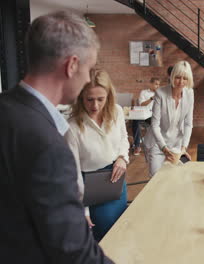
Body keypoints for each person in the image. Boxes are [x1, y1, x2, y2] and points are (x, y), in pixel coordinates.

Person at [0, 11, 113, 263]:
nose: (87, 78)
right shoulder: (48, 145)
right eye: (88, 68)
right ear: (71, 65)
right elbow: (73, 250)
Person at [65, 69, 129, 242]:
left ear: (109, 96)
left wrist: (123, 157)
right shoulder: (72, 127)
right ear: (80, 97)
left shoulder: (117, 111)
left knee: (120, 226)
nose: (95, 106)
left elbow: (124, 139)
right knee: (105, 233)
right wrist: (83, 210)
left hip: (117, 178)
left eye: (101, 99)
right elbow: (73, 173)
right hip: (89, 186)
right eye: (89, 99)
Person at [143, 60, 194, 176]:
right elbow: (154, 125)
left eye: (185, 78)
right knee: (156, 179)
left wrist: (184, 148)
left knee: (176, 178)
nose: (181, 82)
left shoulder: (190, 93)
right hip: (158, 144)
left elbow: (188, 124)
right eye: (178, 77)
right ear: (172, 76)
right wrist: (164, 149)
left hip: (176, 144)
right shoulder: (160, 93)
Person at [131, 77, 161, 155]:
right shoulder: (143, 92)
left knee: (157, 123)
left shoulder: (160, 94)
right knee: (135, 121)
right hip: (143, 116)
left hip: (153, 117)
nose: (157, 86)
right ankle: (137, 146)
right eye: (156, 84)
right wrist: (152, 98)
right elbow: (141, 104)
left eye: (158, 85)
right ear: (150, 84)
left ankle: (157, 145)